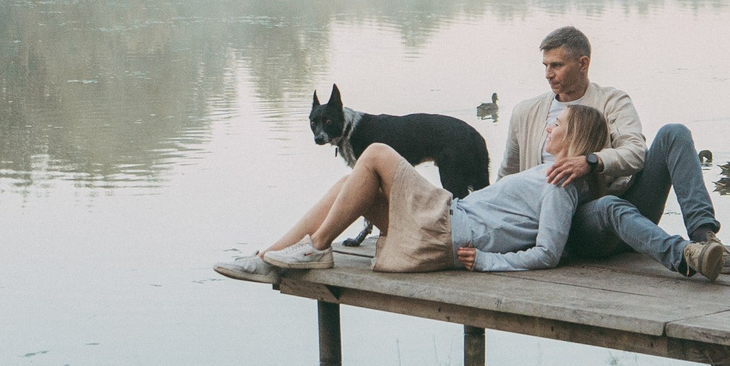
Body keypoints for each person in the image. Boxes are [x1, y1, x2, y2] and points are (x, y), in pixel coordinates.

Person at [231, 103, 612, 275]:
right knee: (348, 182)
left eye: (557, 124)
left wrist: (487, 261)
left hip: (446, 227)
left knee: (377, 151)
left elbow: (547, 253)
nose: (548, 128)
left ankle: (315, 248)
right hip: (441, 228)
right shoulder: (551, 175)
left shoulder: (560, 186)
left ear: (574, 135)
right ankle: (269, 257)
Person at [497, 25, 730, 279]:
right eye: (545, 65)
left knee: (674, 133)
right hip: (572, 227)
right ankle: (684, 255)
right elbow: (507, 176)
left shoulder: (612, 101)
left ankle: (704, 238)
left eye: (556, 65)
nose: (548, 74)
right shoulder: (525, 113)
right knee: (607, 206)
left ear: (583, 63)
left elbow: (635, 153)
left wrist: (592, 161)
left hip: (625, 211)